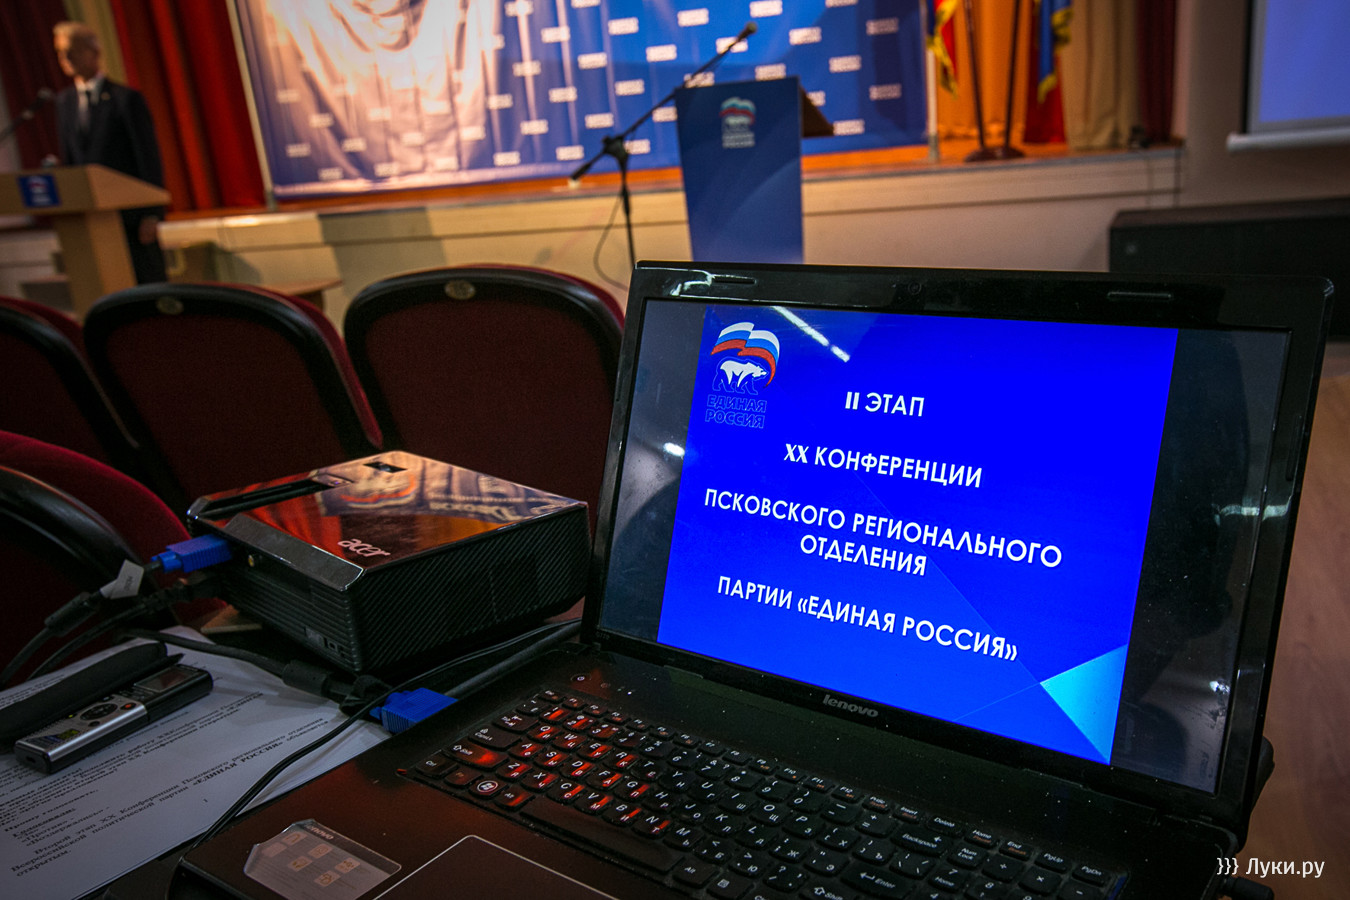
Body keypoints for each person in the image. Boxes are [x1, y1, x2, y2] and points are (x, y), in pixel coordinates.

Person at [52, 21, 167, 284]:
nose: (65, 58)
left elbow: (147, 158)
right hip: (89, 223)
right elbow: (70, 161)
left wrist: (152, 213)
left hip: (130, 219)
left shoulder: (125, 99)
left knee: (145, 286)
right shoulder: (65, 102)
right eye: (59, 52)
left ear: (93, 52)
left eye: (71, 50)